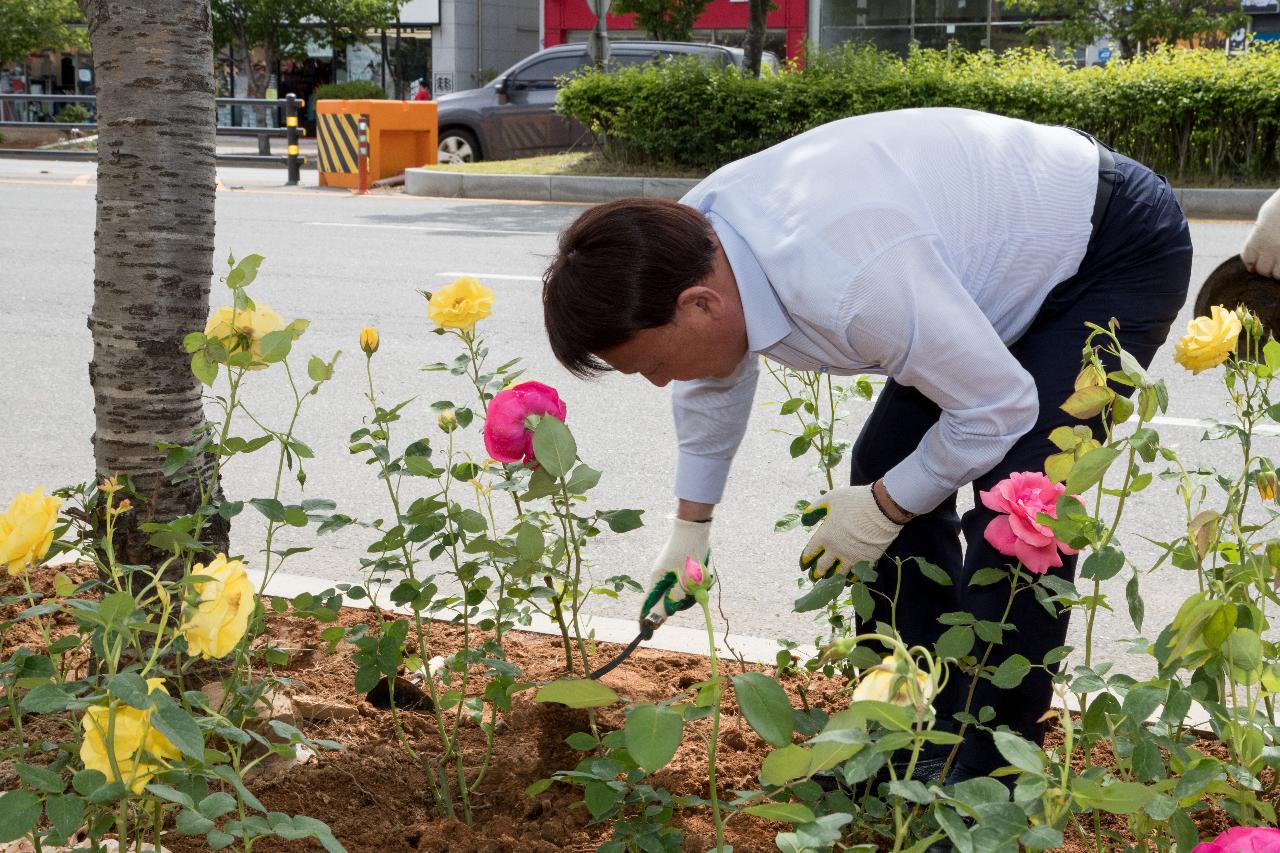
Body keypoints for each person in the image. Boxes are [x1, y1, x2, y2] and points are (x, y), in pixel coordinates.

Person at [541, 107, 1192, 789]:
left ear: (700, 305)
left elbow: (998, 406)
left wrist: (883, 508)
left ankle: (986, 769)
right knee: (887, 468)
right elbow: (711, 383)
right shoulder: (690, 240)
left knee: (1020, 510)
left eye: (652, 362)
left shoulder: (849, 283)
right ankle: (901, 726)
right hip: (983, 270)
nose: (659, 380)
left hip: (1109, 248)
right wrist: (689, 530)